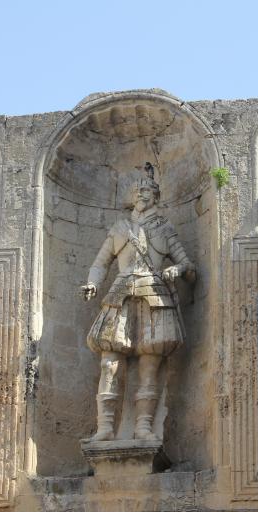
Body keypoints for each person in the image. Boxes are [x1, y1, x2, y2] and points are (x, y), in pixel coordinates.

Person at [81, 163, 194, 442]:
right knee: (109, 362)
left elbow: (188, 266)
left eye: (147, 190)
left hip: (155, 294)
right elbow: (100, 263)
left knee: (149, 363)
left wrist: (175, 271)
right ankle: (105, 427)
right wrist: (93, 283)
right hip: (120, 293)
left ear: (155, 196)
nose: (141, 194)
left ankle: (144, 426)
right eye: (138, 190)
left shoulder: (164, 228)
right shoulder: (119, 227)